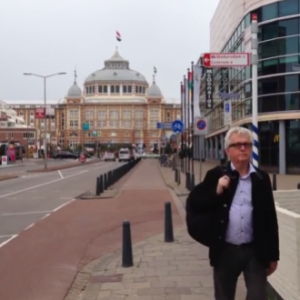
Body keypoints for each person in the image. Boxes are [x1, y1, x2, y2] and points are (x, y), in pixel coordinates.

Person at [186, 126, 279, 300]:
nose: (243, 148)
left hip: (254, 251)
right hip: (225, 250)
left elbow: (270, 219)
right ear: (228, 151)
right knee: (224, 296)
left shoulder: (261, 178)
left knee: (258, 296)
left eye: (246, 144)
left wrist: (273, 256)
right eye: (237, 145)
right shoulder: (216, 175)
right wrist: (217, 190)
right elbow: (195, 203)